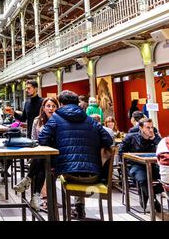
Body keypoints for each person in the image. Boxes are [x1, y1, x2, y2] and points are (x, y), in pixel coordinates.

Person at [39, 90, 113, 219]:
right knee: (81, 166)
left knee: (53, 167)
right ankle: (79, 207)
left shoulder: (55, 118)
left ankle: (49, 206)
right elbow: (108, 140)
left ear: (61, 104)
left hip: (69, 174)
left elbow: (42, 139)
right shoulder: (91, 120)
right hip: (94, 176)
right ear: (77, 103)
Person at [14, 97, 59, 211]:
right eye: (48, 106)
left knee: (41, 160)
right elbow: (34, 139)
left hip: (55, 155)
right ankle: (36, 197)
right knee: (42, 162)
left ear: (57, 108)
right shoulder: (37, 120)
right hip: (41, 154)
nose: (51, 108)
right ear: (43, 108)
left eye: (54, 106)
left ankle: (27, 179)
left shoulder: (59, 121)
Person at [119, 118, 163, 212]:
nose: (151, 130)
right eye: (148, 127)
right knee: (142, 179)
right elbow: (121, 153)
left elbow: (163, 149)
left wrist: (155, 139)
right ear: (141, 128)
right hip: (136, 165)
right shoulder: (131, 137)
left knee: (164, 178)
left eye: (152, 127)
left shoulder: (155, 137)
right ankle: (153, 200)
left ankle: (144, 194)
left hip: (153, 165)